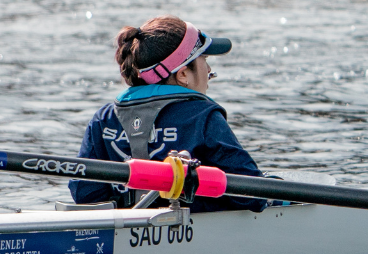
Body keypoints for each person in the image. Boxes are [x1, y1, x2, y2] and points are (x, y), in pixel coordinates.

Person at [71, 16, 265, 212]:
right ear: (182, 75)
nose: (209, 69)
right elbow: (253, 195)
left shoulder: (103, 119)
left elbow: (85, 195)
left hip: (117, 233)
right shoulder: (201, 117)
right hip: (189, 233)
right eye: (204, 59)